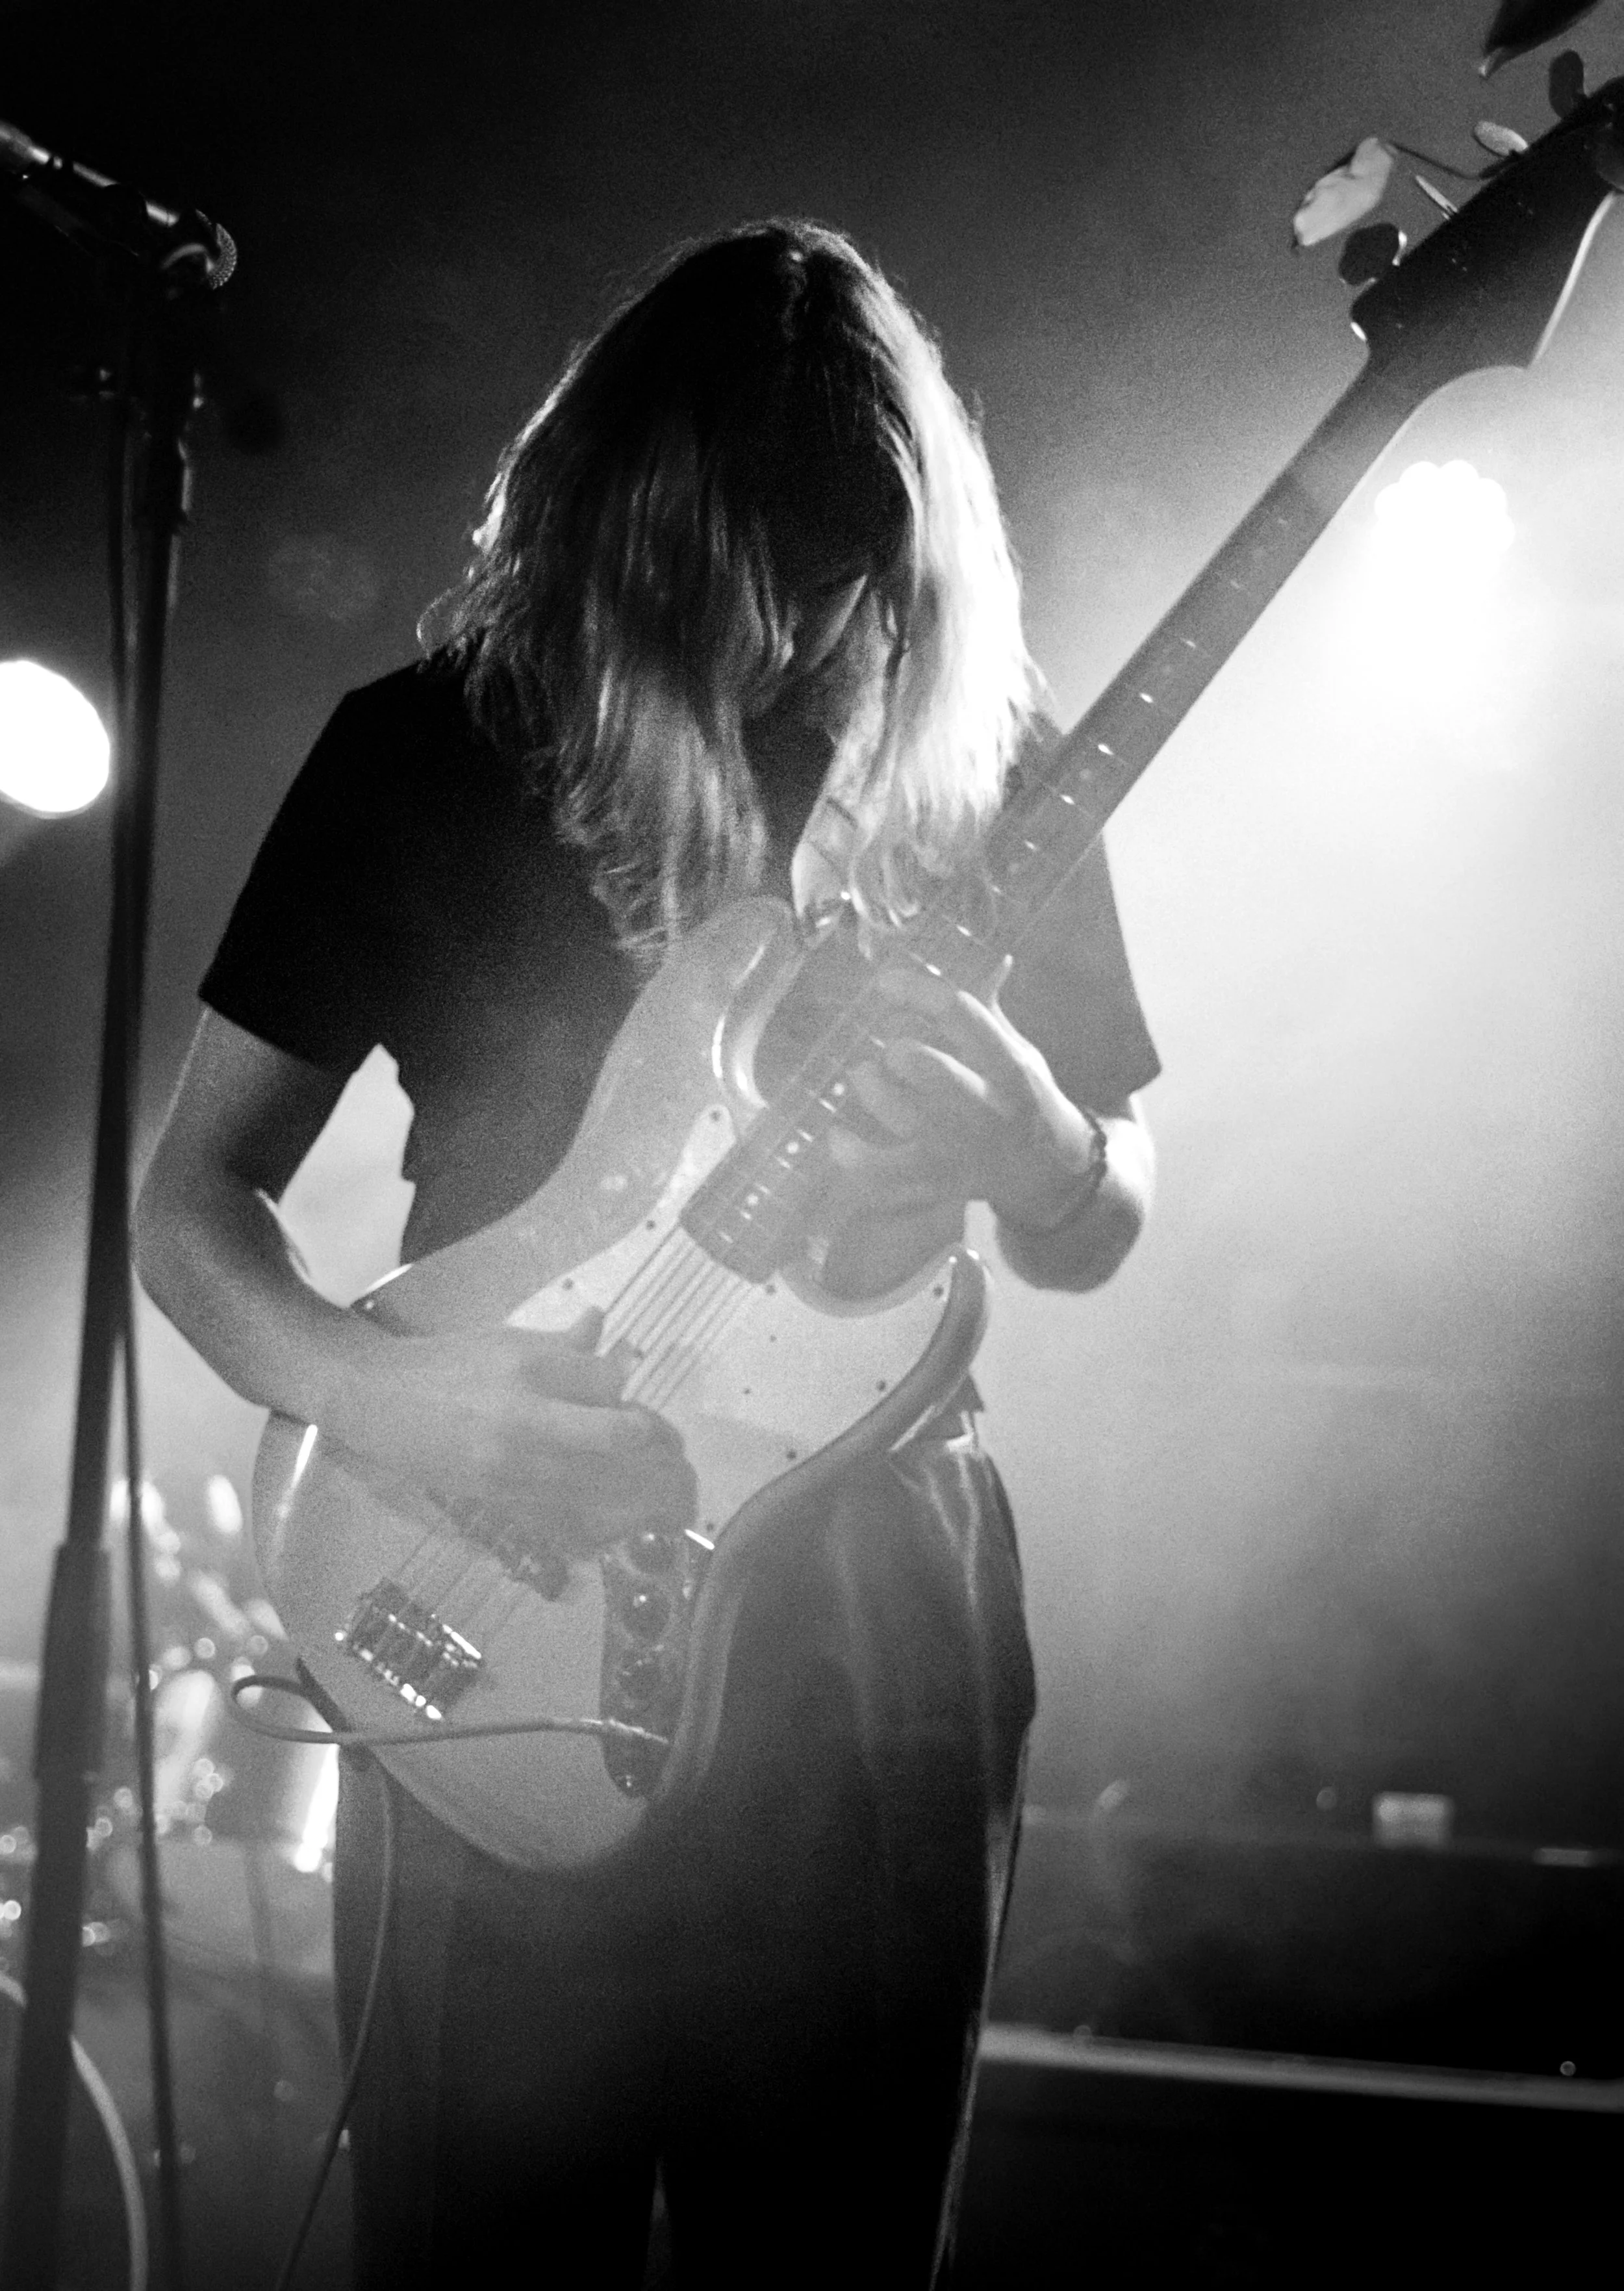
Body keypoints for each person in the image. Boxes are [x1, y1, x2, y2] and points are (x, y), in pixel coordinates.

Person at [134, 219, 1158, 2288]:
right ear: (608, 523)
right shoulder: (437, 744)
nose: (780, 634)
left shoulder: (985, 772)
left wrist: (1045, 1149)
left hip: (864, 1615)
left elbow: (1105, 1213)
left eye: (833, 578)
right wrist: (377, 1390)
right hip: (485, 1569)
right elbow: (189, 1203)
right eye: (724, 573)